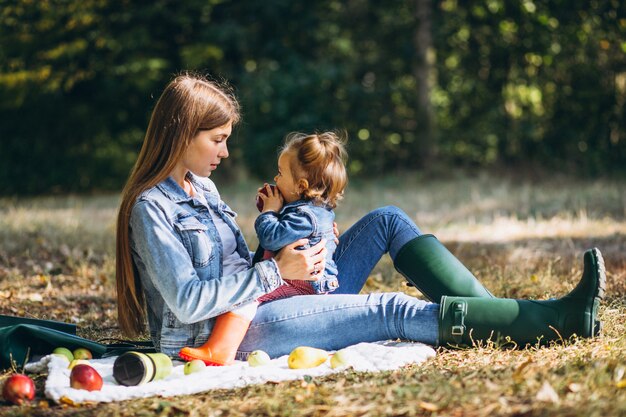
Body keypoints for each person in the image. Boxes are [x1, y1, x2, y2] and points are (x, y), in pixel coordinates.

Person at [115, 73, 605, 363]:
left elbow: (239, 262)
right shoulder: (150, 208)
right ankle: (553, 318)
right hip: (235, 329)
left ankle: (495, 315)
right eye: (217, 139)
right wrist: (276, 270)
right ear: (182, 134)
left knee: (387, 219)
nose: (226, 150)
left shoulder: (201, 186)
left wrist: (306, 236)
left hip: (273, 294)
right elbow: (185, 301)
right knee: (389, 308)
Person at [177, 131, 348, 365]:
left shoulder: (305, 216)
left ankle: (220, 349)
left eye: (280, 173)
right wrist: (269, 205)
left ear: (301, 185)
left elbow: (271, 238)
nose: (276, 179)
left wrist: (269, 212)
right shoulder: (307, 209)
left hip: (302, 284)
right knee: (249, 284)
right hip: (298, 278)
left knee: (247, 295)